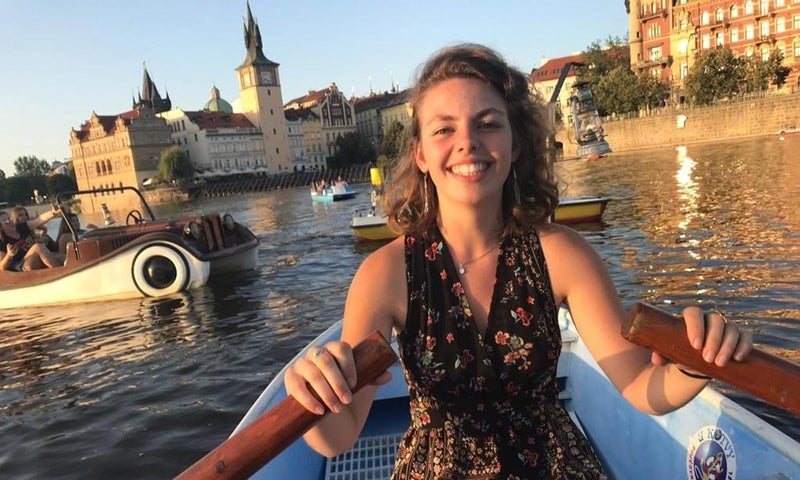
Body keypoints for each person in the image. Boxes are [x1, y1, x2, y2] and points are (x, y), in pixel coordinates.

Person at [283, 44, 753, 478]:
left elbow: (639, 387)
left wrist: (699, 361)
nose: (467, 141)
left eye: (488, 122)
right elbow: (338, 434)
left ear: (516, 144)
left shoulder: (563, 255)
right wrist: (308, 391)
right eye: (444, 128)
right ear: (421, 154)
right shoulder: (385, 275)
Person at [0, 206, 64, 271]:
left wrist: (52, 213)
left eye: (9, 219)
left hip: (35, 258)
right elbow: (1, 267)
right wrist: (9, 255)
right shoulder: (2, 241)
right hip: (21, 266)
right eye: (5, 221)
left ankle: (70, 271)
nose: (10, 222)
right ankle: (59, 271)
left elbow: (38, 221)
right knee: (37, 247)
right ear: (1, 227)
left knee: (60, 257)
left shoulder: (21, 227)